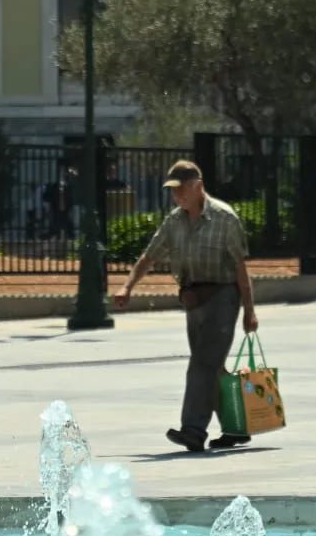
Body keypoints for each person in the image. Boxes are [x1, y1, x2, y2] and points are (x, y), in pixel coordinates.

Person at [113, 160, 259, 451]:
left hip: (223, 298)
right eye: (173, 190)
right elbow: (149, 256)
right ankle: (236, 427)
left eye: (182, 189)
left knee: (202, 364)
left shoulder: (224, 219)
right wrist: (128, 285)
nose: (177, 196)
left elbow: (241, 268)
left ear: (198, 187)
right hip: (193, 300)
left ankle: (193, 430)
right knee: (211, 367)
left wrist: (249, 309)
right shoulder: (174, 221)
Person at [40, 162, 77, 240]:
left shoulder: (68, 187)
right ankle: (50, 236)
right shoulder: (54, 187)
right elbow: (47, 198)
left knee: (68, 227)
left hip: (64, 211)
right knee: (55, 227)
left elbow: (70, 199)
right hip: (57, 211)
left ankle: (68, 237)